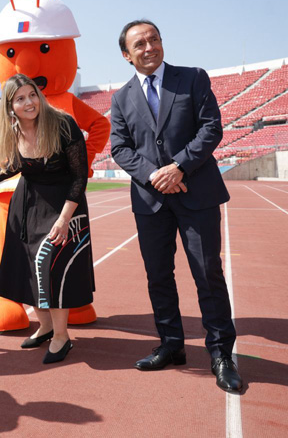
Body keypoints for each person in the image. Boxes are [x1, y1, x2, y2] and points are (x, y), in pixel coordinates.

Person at [110, 20, 242, 393]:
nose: (149, 47)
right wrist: (156, 175)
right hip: (151, 201)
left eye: (154, 39)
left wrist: (178, 166)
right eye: (140, 44)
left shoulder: (193, 78)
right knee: (158, 277)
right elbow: (120, 149)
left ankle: (221, 354)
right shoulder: (120, 99)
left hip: (196, 193)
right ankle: (171, 345)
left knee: (208, 275)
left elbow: (211, 128)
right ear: (127, 55)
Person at [0, 74, 94, 364]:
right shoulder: (14, 130)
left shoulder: (62, 123)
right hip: (28, 203)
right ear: (11, 106)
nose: (29, 102)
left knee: (54, 269)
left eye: (31, 94)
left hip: (64, 203)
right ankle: (45, 328)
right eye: (20, 98)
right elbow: (12, 167)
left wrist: (63, 219)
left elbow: (79, 176)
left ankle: (62, 337)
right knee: (29, 269)